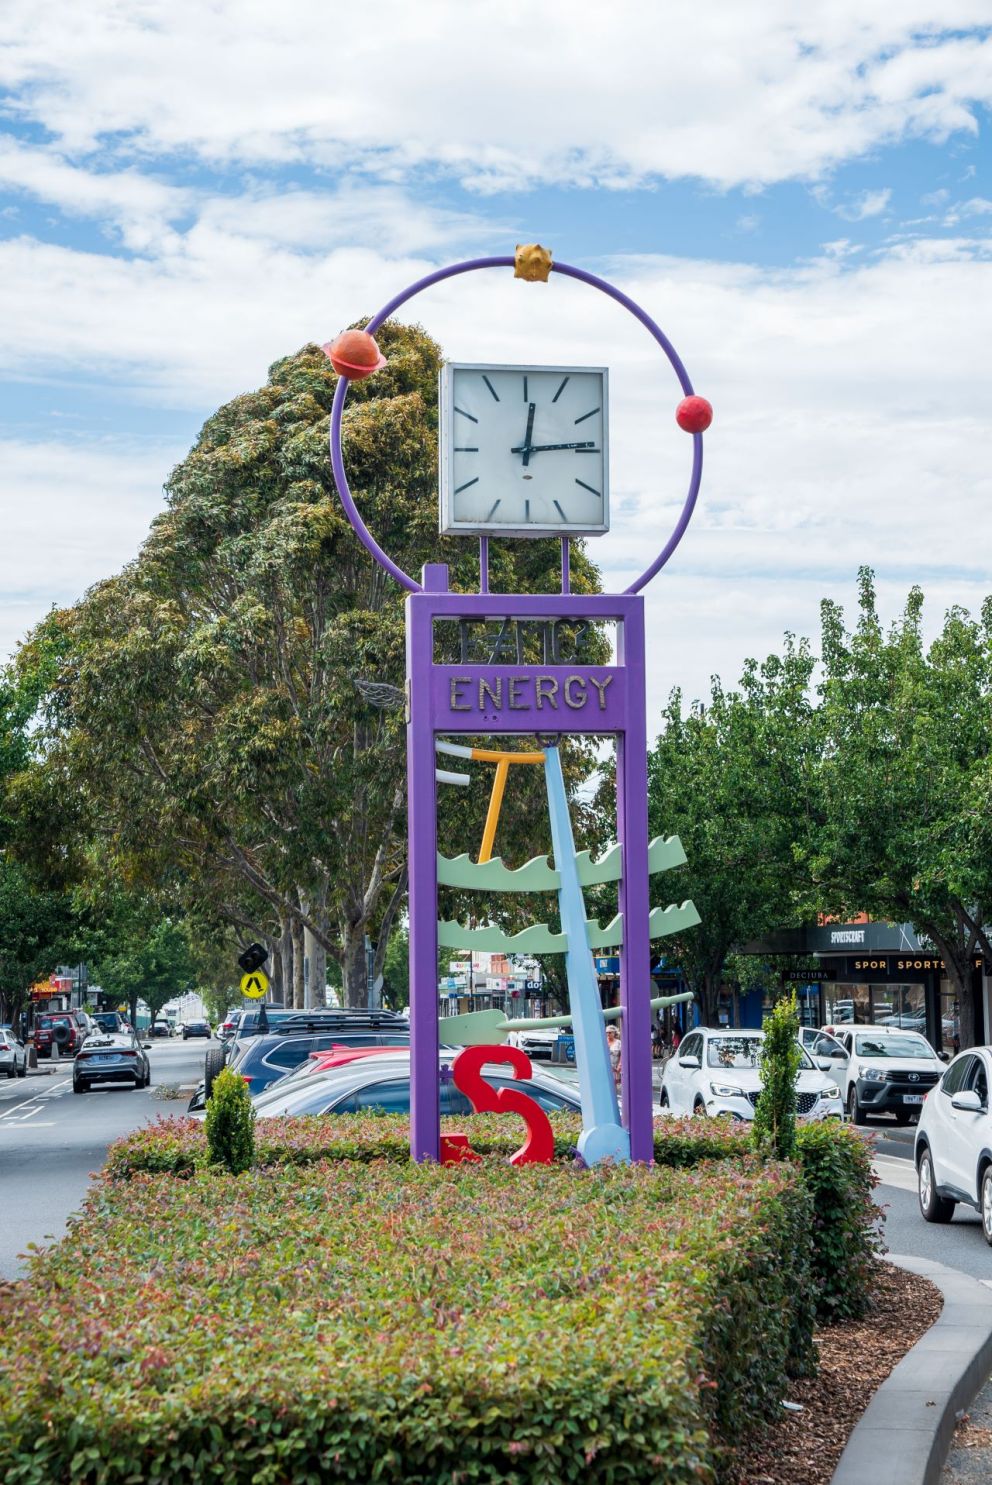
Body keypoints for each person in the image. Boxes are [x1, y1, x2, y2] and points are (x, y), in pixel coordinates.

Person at [606, 1024, 622, 1089]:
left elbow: (622, 1055)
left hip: (614, 1068)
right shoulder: (603, 1041)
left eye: (610, 1032)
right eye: (606, 1032)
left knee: (613, 1086)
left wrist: (620, 1065)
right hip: (605, 1067)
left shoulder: (618, 1042)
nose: (608, 1034)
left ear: (614, 1033)